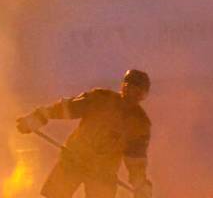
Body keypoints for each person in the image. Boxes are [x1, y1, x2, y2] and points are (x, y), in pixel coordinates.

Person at [15, 69, 153, 198]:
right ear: (124, 87)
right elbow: (67, 108)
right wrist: (39, 117)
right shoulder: (101, 99)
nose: (133, 94)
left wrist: (140, 184)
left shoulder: (139, 124)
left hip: (102, 174)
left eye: (138, 92)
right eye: (130, 88)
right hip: (74, 160)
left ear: (143, 95)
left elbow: (135, 158)